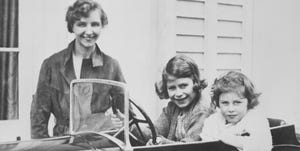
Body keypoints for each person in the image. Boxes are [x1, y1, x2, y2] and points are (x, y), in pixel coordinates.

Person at [30, 0, 126, 139]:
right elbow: (38, 117)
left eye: (95, 24)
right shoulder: (51, 65)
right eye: (81, 24)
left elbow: (127, 115)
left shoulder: (111, 66)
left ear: (101, 26)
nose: (89, 31)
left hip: (100, 144)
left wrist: (118, 121)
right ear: (72, 27)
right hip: (63, 144)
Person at [112, 55, 213, 145]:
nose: (178, 94)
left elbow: (190, 147)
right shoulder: (172, 108)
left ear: (195, 82)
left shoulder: (202, 109)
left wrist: (162, 142)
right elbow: (154, 132)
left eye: (183, 86)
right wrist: (127, 124)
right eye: (172, 88)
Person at [199, 71, 272, 151]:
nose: (231, 109)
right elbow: (206, 146)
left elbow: (262, 147)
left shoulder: (256, 119)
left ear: (249, 101)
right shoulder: (212, 121)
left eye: (237, 102)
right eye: (225, 103)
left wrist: (225, 136)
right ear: (218, 103)